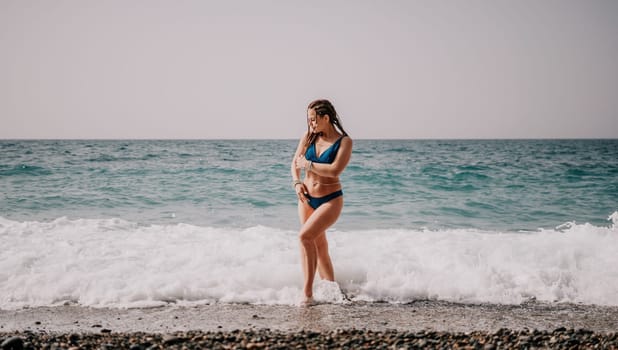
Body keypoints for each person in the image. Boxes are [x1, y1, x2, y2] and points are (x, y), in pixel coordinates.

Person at [290, 99, 353, 306]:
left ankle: (307, 295)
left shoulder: (344, 142)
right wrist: (297, 182)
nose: (311, 125)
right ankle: (332, 291)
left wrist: (308, 164)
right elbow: (294, 162)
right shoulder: (308, 137)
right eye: (309, 120)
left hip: (330, 200)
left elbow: (335, 170)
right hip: (306, 198)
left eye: (314, 120)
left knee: (304, 237)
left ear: (326, 118)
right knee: (319, 244)